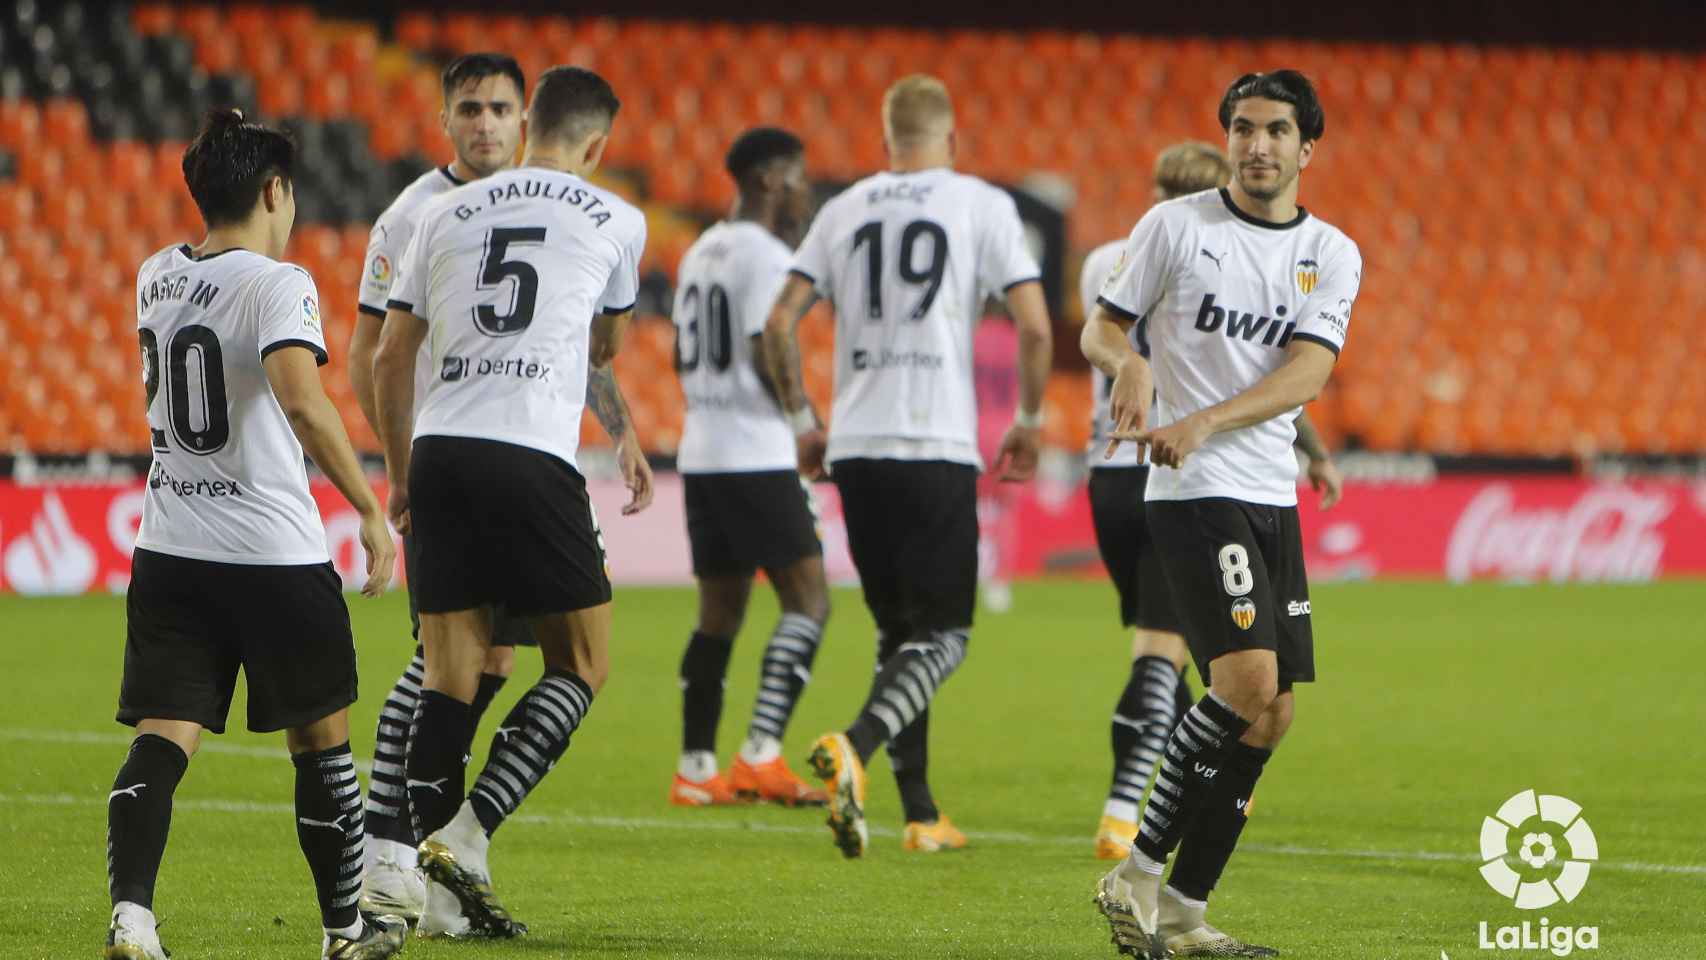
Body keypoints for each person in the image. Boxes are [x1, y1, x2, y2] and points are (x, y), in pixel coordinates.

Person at [106, 109, 402, 960]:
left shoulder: (155, 275)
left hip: (171, 549)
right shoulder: (280, 283)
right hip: (273, 554)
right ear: (276, 191)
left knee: (163, 738)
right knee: (322, 747)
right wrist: (371, 510)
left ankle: (133, 920)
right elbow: (302, 400)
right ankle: (346, 933)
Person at [1083, 70, 1361, 958]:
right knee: (1241, 685)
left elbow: (1308, 373)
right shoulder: (1175, 226)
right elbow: (1100, 327)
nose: (1257, 145)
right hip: (1193, 494)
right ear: (1228, 138)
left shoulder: (1333, 252)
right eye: (1243, 128)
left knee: (1273, 711)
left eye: (1277, 130)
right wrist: (1124, 361)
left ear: (1307, 147)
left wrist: (1208, 418)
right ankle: (1133, 872)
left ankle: (1186, 913)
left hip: (1268, 492)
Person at [373, 65, 650, 939]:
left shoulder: (442, 211)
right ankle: (468, 830)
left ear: (527, 125)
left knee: (450, 678)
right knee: (580, 665)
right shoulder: (620, 217)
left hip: (444, 450)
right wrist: (622, 427)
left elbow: (388, 357)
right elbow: (601, 344)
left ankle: (435, 906)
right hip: (531, 454)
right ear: (598, 146)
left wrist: (402, 470)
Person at [764, 74, 1054, 858]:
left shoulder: (844, 208)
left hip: (856, 445)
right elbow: (1032, 327)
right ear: (950, 140)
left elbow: (777, 323)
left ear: (885, 139)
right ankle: (855, 743)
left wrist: (802, 422)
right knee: (948, 635)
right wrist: (1028, 421)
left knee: (900, 636)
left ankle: (921, 814)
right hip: (932, 446)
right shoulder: (979, 203)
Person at [346, 51, 540, 924]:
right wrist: (403, 461)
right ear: (444, 119)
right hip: (446, 469)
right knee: (445, 664)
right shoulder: (410, 216)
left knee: (490, 660)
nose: (486, 124)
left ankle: (425, 854)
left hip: (516, 464)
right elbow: (366, 356)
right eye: (470, 109)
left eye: (501, 108)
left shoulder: (542, 203)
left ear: (525, 119)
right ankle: (394, 854)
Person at [667, 127, 832, 808]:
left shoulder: (702, 248)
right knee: (809, 600)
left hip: (703, 448)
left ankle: (695, 767)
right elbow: (771, 338)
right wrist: (803, 422)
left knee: (719, 613)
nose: (803, 188)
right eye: (795, 175)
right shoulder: (766, 254)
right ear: (767, 178)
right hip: (755, 452)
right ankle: (761, 753)